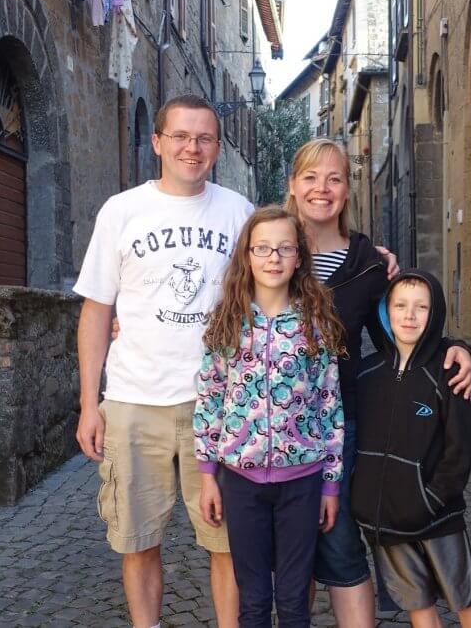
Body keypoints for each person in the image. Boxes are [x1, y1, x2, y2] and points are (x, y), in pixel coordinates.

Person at [74, 94, 252, 628]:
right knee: (137, 538)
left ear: (217, 148)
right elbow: (96, 311)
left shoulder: (238, 213)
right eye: (180, 136)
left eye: (203, 138)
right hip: (133, 400)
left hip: (217, 404)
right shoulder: (121, 211)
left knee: (227, 542)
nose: (191, 148)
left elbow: (271, 288)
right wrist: (89, 404)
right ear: (157, 143)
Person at [283, 138, 471, 625]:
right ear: (292, 185)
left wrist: (453, 346)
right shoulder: (271, 250)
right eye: (310, 177)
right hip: (274, 429)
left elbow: (401, 329)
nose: (321, 189)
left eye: (334, 178)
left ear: (347, 190)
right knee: (293, 552)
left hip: (337, 425)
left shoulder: (369, 265)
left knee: (341, 541)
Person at [194, 206, 347, 628]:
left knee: (296, 601)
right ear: (247, 255)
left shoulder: (316, 323)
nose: (273, 258)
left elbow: (329, 405)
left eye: (284, 248)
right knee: (254, 600)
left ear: (299, 257)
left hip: (303, 479)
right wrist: (207, 474)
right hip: (240, 480)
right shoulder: (227, 321)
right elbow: (210, 397)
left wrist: (331, 486)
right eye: (262, 248)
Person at [351, 270, 471, 628]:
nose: (409, 315)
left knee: (465, 599)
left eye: (421, 307)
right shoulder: (366, 375)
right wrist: (362, 499)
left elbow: (460, 449)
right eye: (400, 305)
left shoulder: (447, 373)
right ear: (386, 311)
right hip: (386, 519)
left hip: (437, 516)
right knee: (418, 604)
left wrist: (432, 499)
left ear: (435, 312)